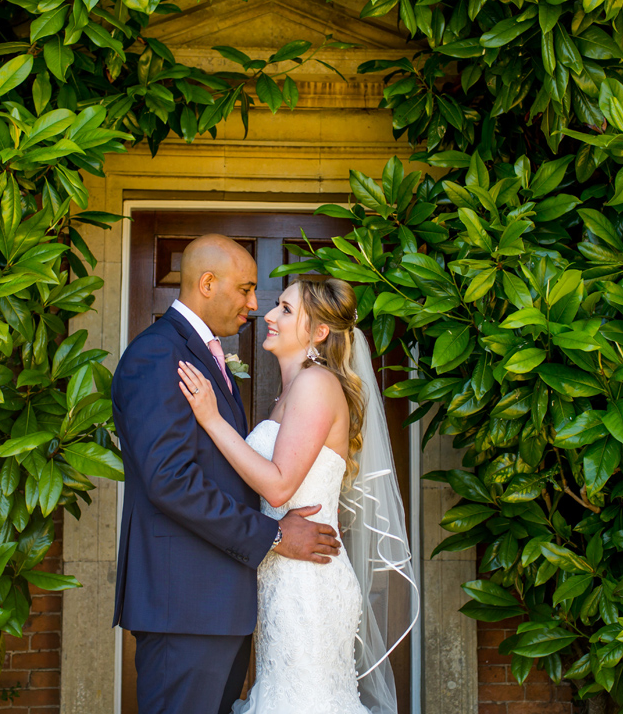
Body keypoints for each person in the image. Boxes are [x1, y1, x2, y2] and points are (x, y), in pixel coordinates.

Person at [111, 235, 343, 714]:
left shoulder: (207, 356)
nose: (255, 307)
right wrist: (276, 536)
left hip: (220, 608)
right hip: (187, 608)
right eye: (247, 289)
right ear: (207, 283)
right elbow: (171, 480)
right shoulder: (159, 355)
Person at [177, 276, 418, 714]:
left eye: (285, 310)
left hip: (308, 580)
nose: (267, 315)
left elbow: (278, 484)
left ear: (319, 332)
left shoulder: (316, 385)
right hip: (283, 575)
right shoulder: (289, 395)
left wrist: (211, 419)